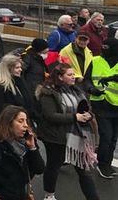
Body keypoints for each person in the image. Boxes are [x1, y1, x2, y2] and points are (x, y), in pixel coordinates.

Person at [36, 63, 99, 200]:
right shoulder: (48, 92)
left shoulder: (77, 91)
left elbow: (86, 108)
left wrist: (89, 115)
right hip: (55, 136)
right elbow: (50, 115)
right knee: (54, 165)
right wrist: (74, 117)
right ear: (60, 77)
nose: (73, 77)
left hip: (77, 136)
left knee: (84, 171)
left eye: (73, 74)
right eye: (69, 75)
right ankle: (49, 195)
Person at [0, 105, 45, 200]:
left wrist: (32, 148)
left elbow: (39, 169)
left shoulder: (25, 146)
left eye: (26, 121)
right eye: (20, 121)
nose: (26, 125)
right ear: (9, 124)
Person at [85, 37, 118, 179]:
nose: (104, 50)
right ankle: (102, 164)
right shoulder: (96, 60)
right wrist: (92, 89)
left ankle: (107, 163)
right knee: (107, 135)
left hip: (116, 105)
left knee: (114, 138)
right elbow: (87, 80)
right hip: (101, 103)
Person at [0, 55, 34, 125]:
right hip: (7, 127)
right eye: (17, 67)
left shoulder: (19, 81)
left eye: (20, 67)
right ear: (8, 69)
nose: (21, 69)